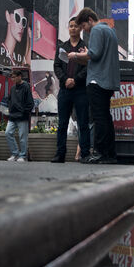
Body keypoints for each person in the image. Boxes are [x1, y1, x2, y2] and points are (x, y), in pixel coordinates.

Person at [71, 7, 120, 164]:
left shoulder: (97, 30)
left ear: (90, 20)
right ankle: (110, 154)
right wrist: (88, 52)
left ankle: (100, 153)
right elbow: (100, 54)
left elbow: (94, 54)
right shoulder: (110, 31)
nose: (84, 30)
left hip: (97, 80)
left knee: (99, 119)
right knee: (106, 117)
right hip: (108, 80)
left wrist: (75, 55)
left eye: (84, 26)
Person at [51, 17, 90, 163]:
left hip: (80, 90)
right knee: (62, 124)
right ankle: (60, 154)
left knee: (83, 123)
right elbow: (56, 66)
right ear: (68, 28)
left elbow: (88, 66)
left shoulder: (85, 47)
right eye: (71, 26)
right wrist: (65, 79)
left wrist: (76, 80)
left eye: (76, 26)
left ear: (80, 28)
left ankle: (85, 154)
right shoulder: (62, 46)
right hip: (64, 89)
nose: (73, 28)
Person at [4, 68, 34, 161]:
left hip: (22, 116)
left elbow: (30, 103)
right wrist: (10, 109)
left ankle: (22, 156)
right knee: (8, 133)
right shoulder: (13, 88)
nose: (12, 79)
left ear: (19, 76)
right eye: (11, 77)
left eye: (14, 77)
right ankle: (15, 154)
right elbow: (10, 100)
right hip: (13, 115)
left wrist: (24, 112)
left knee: (22, 137)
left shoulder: (26, 87)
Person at [0, 0, 31, 68]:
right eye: (17, 18)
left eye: (23, 21)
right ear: (8, 16)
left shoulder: (17, 60)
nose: (21, 27)